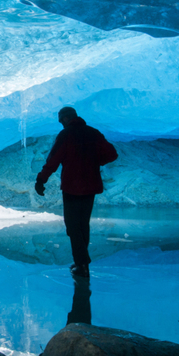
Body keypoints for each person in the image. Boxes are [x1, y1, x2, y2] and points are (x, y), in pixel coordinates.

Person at [35, 107, 118, 277]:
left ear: (65, 119)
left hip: (72, 187)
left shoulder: (66, 135)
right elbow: (112, 154)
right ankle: (81, 262)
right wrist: (95, 162)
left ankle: (82, 264)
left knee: (73, 227)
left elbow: (53, 160)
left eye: (60, 121)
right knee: (82, 225)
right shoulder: (93, 133)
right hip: (90, 187)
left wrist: (41, 180)